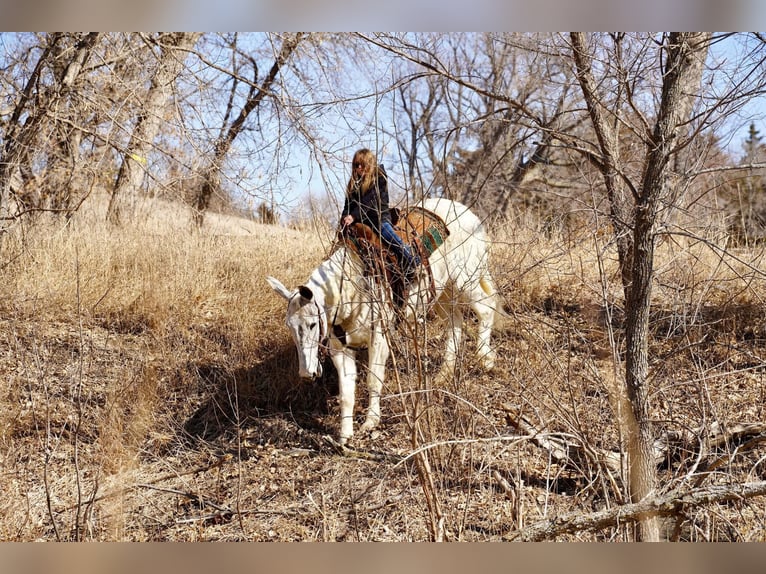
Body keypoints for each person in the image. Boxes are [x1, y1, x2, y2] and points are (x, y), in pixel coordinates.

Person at [340, 148, 420, 285]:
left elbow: (370, 201)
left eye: (362, 164)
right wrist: (344, 218)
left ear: (369, 164)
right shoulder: (353, 183)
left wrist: (353, 216)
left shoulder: (379, 177)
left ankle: (414, 261)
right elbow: (348, 204)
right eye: (355, 165)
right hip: (360, 221)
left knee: (388, 235)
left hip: (378, 218)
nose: (359, 168)